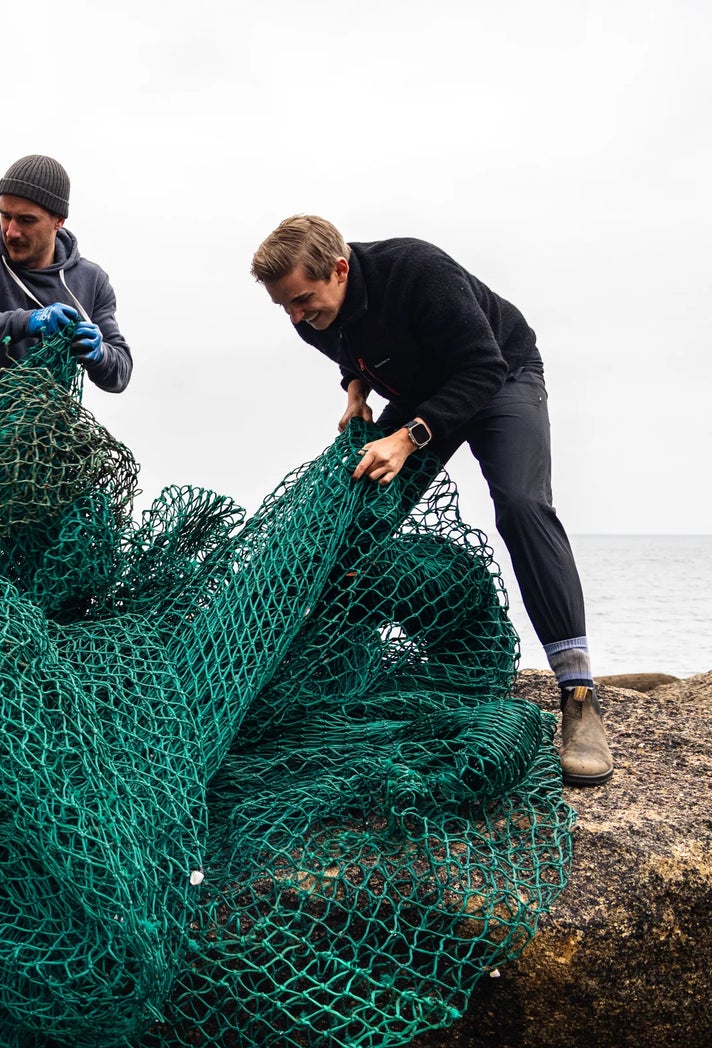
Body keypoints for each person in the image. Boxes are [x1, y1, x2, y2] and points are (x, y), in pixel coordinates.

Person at [250, 215, 612, 786]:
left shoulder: (417, 271)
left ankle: (578, 693)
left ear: (340, 269)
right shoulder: (308, 316)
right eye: (284, 307)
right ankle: (316, 674)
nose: (296, 317)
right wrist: (356, 392)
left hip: (500, 377)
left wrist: (407, 437)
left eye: (302, 301)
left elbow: (483, 367)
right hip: (422, 392)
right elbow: (351, 347)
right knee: (351, 513)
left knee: (520, 505)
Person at [0, 154, 133, 439]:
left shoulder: (91, 282)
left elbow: (120, 373)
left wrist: (101, 354)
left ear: (58, 220)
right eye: (5, 215)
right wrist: (29, 321)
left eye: (26, 220)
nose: (11, 231)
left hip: (43, 447)